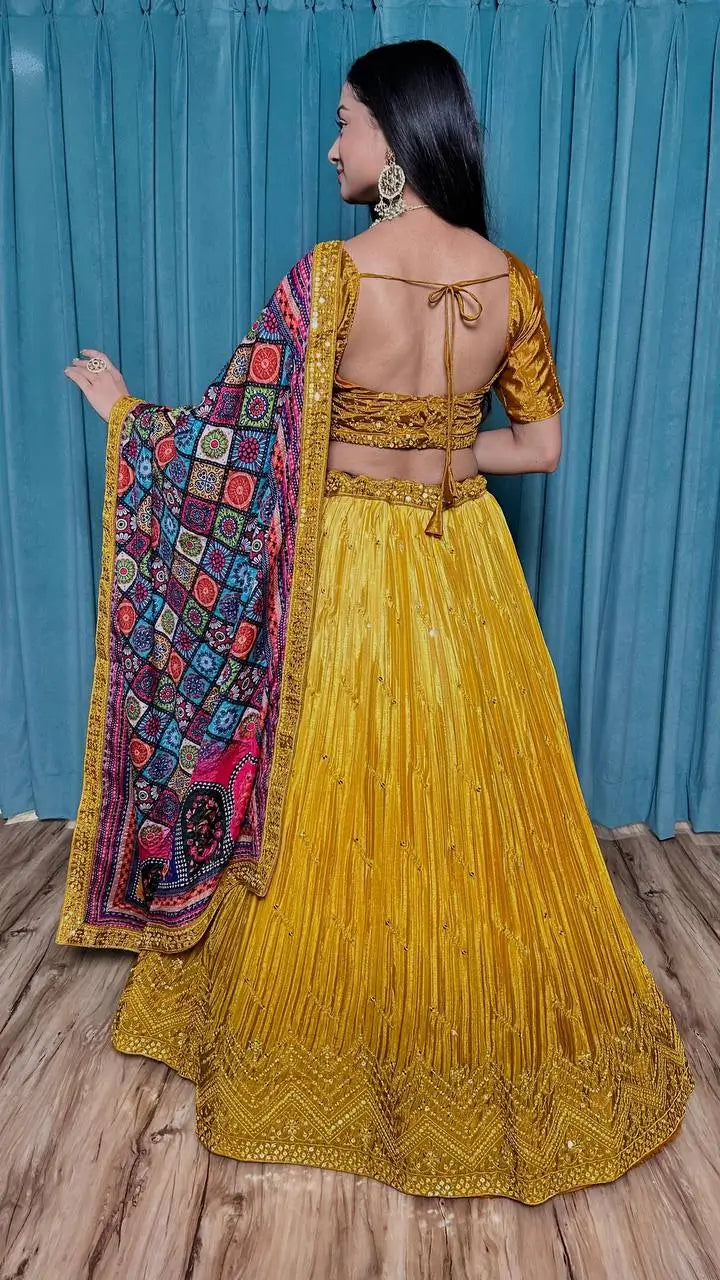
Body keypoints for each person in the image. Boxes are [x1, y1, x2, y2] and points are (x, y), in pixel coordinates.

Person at [56, 39, 694, 1203]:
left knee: (330, 788)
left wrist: (126, 415)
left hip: (346, 559)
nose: (331, 146)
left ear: (396, 136)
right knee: (465, 794)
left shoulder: (330, 278)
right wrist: (447, 452)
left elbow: (232, 443)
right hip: (467, 563)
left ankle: (325, 1039)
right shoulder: (511, 282)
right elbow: (541, 446)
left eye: (345, 121)